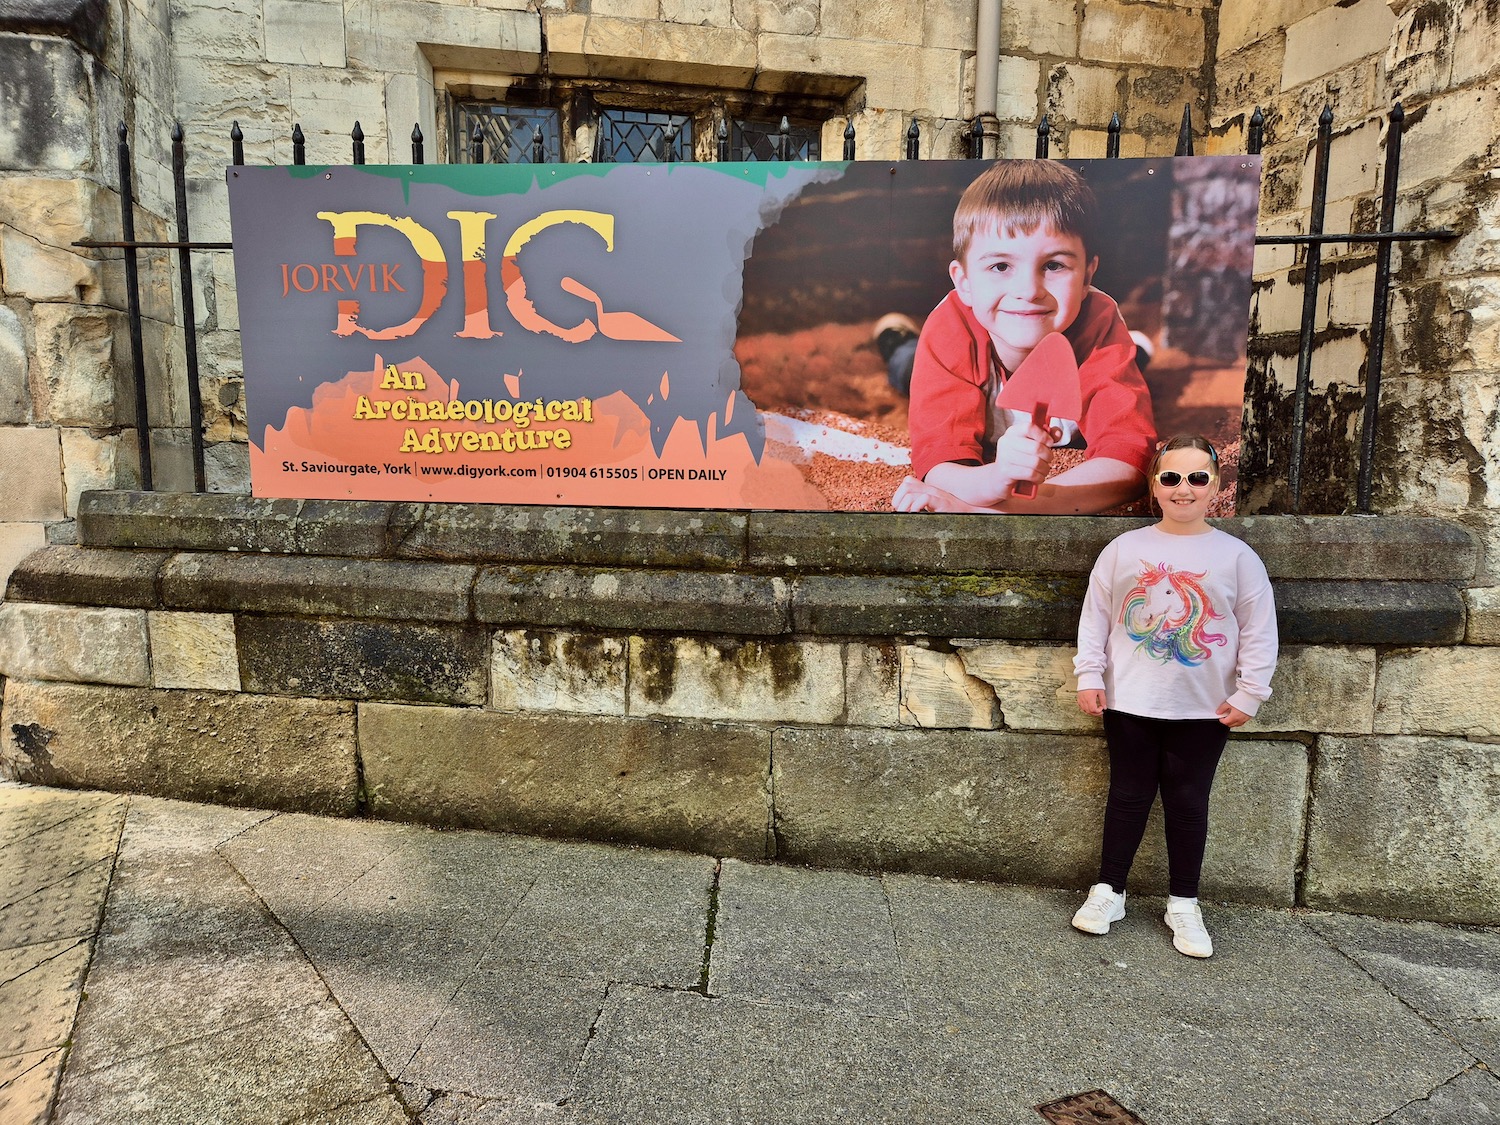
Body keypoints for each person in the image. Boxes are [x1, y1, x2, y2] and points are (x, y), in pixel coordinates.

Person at [1070, 434, 1278, 958]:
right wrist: (1089, 675)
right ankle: (1108, 890)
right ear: (1154, 487)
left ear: (1215, 487)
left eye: (1197, 478)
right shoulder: (1124, 549)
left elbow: (1258, 629)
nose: (1183, 488)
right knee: (1128, 796)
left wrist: (1251, 692)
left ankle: (1184, 901)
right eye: (1171, 478)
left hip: (1204, 707)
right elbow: (1095, 616)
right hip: (1130, 700)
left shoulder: (1236, 556)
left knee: (1188, 802)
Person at [888, 160, 1156, 514]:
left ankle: (1136, 351)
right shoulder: (950, 330)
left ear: (1088, 273)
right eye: (1001, 266)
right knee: (903, 364)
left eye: (1054, 265)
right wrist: (995, 479)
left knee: (1129, 362)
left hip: (1086, 345)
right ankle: (893, 337)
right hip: (941, 362)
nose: (1029, 291)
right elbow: (939, 466)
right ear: (964, 281)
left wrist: (1003, 506)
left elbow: (1129, 462)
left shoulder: (1099, 322)